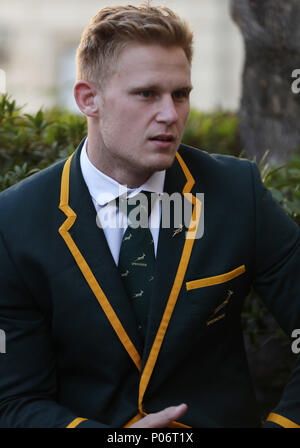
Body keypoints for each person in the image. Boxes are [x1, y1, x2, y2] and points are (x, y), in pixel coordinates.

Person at [0, 3, 299, 429]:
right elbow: (15, 400)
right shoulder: (15, 223)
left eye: (180, 94)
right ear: (89, 99)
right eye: (147, 94)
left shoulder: (236, 193)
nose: (170, 115)